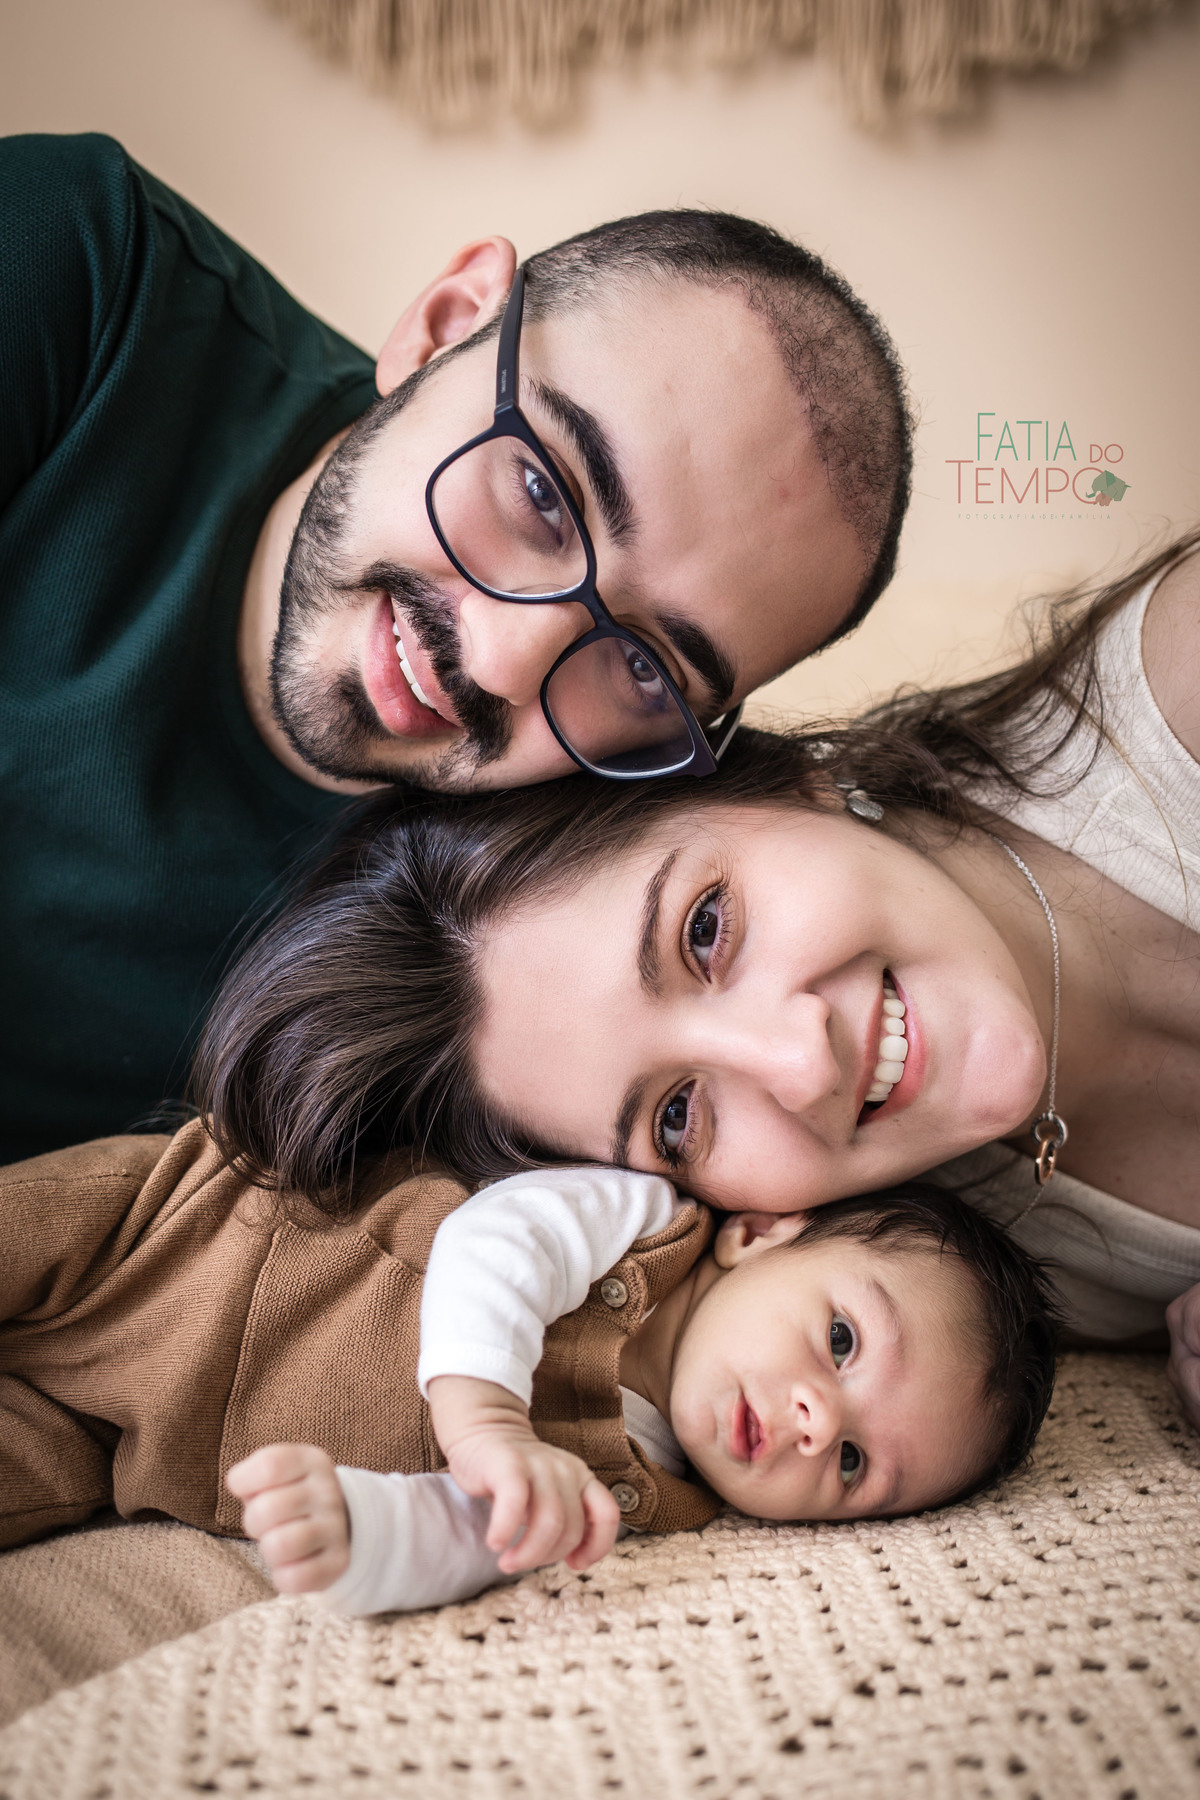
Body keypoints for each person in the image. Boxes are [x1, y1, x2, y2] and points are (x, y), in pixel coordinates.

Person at [0, 132, 912, 1164]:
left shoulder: (508, 958)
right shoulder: (79, 268)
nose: (503, 663)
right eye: (542, 494)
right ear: (445, 325)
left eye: (643, 665)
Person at [194, 532, 1200, 1430]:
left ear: (792, 780)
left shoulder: (1181, 685)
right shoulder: (928, 1291)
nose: (801, 1066)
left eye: (705, 930)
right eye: (676, 1119)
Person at [0, 1119, 1057, 1613]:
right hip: (175, 1235)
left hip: (130, 1448)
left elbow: (478, 1535)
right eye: (842, 1343)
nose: (818, 1425)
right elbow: (498, 1245)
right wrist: (488, 1425)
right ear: (763, 1232)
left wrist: (365, 1531)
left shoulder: (634, 1501)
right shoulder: (644, 1222)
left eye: (856, 1465)